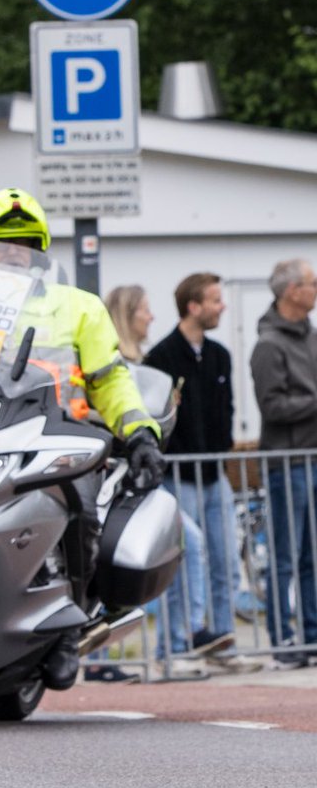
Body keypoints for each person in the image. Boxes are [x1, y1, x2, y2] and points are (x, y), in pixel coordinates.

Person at [0, 189, 165, 691]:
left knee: (80, 512)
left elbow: (110, 378)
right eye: (1, 246)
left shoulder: (77, 306)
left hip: (55, 433)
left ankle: (65, 630)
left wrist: (139, 431)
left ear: (40, 253)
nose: (13, 255)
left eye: (24, 246)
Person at [105, 284, 213, 674]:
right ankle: (168, 642)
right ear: (127, 314)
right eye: (145, 310)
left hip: (140, 476)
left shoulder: (143, 362)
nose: (151, 317)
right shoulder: (112, 362)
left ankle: (178, 641)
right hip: (117, 477)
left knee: (183, 543)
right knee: (110, 556)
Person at [145, 273, 241, 663]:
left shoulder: (220, 355)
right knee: (188, 556)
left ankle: (223, 636)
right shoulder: (162, 357)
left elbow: (227, 407)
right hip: (181, 475)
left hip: (214, 472)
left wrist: (222, 450)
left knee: (226, 558)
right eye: (216, 301)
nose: (222, 307)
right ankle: (180, 638)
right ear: (193, 306)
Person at [250, 258, 317, 667]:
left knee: (311, 555)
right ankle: (283, 639)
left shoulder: (311, 338)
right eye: (312, 283)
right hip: (287, 463)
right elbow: (271, 405)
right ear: (291, 291)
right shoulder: (269, 344)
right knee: (285, 557)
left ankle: (311, 635)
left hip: (312, 457)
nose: (315, 289)